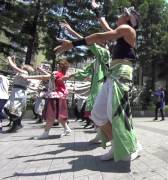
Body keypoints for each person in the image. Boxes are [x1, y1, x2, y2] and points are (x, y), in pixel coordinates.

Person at [54, 6, 141, 161]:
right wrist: (97, 11)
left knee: (118, 115)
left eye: (122, 14)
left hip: (121, 73)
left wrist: (72, 44)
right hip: (112, 75)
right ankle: (116, 145)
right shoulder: (121, 32)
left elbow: (101, 35)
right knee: (97, 114)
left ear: (128, 18)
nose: (118, 16)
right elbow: (105, 28)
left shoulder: (127, 29)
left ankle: (132, 146)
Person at [22, 60, 72, 139]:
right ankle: (67, 129)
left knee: (50, 115)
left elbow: (44, 77)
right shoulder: (61, 74)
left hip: (54, 97)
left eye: (58, 65)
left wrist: (28, 77)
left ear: (60, 66)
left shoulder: (56, 73)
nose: (56, 66)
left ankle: (46, 133)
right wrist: (41, 70)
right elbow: (49, 75)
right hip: (60, 97)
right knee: (59, 115)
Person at [4, 56, 34, 133]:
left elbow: (14, 67)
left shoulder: (24, 72)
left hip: (19, 92)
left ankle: (15, 125)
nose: (21, 66)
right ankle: (17, 124)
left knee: (10, 109)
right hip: (17, 91)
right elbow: (15, 68)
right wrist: (13, 60)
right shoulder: (21, 73)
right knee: (10, 109)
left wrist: (9, 59)